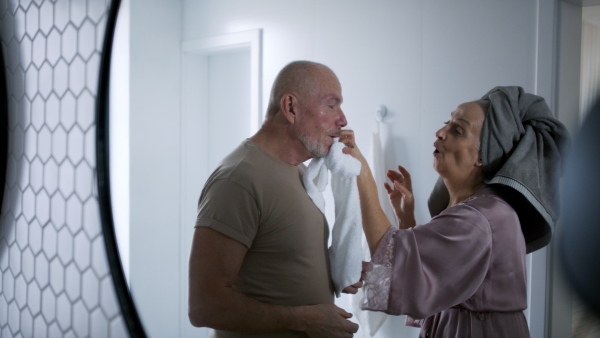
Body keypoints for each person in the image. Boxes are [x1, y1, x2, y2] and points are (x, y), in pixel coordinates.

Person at [339, 86, 569, 337]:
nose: (439, 133)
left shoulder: (480, 217)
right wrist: (406, 219)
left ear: (483, 155)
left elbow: (402, 270)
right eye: (446, 123)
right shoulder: (482, 207)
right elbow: (428, 280)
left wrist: (361, 171)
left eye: (457, 130)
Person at [188, 60, 361, 338]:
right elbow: (204, 306)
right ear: (291, 107)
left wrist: (340, 270)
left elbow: (280, 261)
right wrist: (306, 320)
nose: (342, 120)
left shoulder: (301, 173)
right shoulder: (238, 179)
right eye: (332, 104)